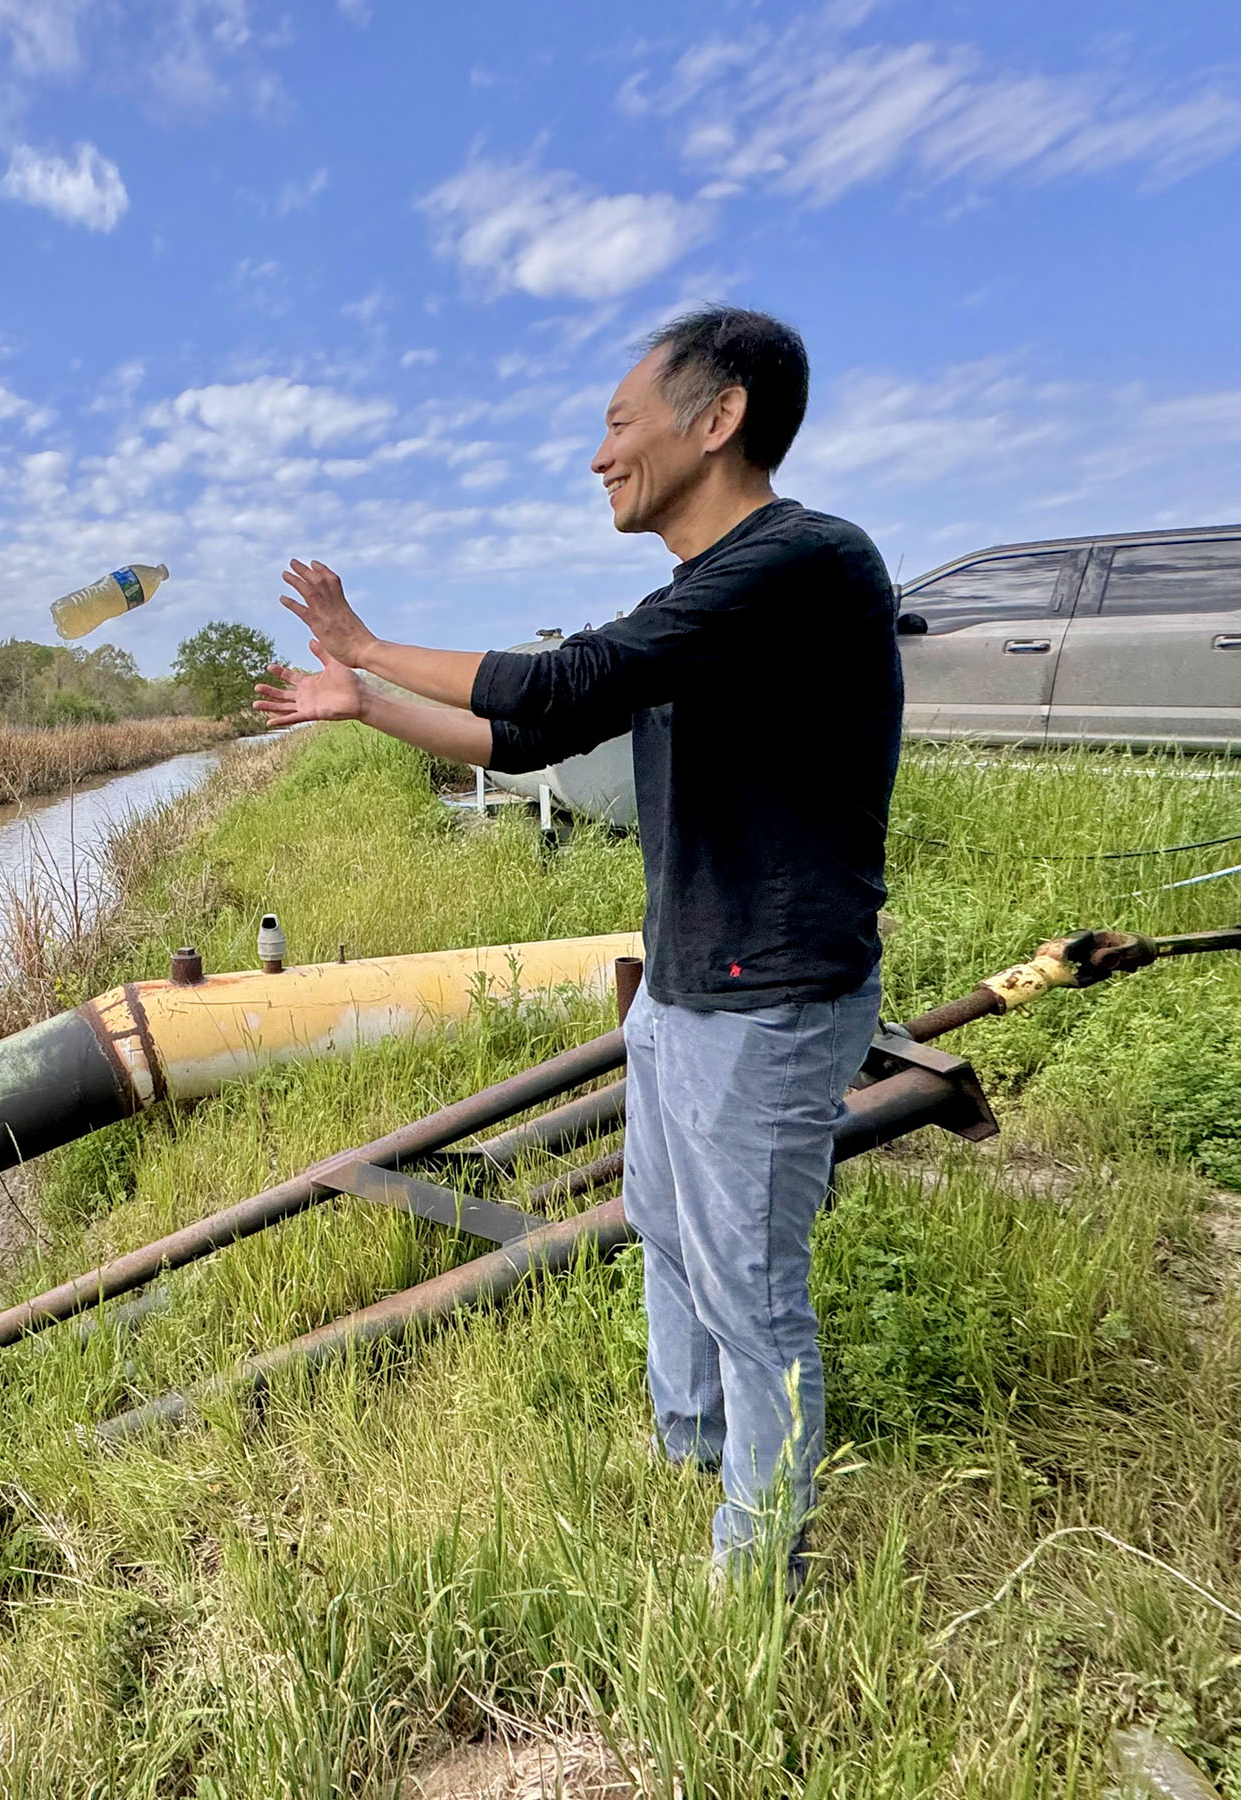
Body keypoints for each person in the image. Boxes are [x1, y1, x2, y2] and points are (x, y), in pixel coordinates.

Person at [254, 306, 901, 1579]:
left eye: (618, 422)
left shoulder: (805, 564)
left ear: (717, 420)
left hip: (767, 995)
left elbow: (558, 687)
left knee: (751, 1297)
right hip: (687, 985)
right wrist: (364, 698)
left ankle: (754, 1572)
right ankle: (688, 1453)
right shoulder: (709, 595)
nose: (599, 454)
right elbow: (535, 738)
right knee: (664, 1227)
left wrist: (372, 644)